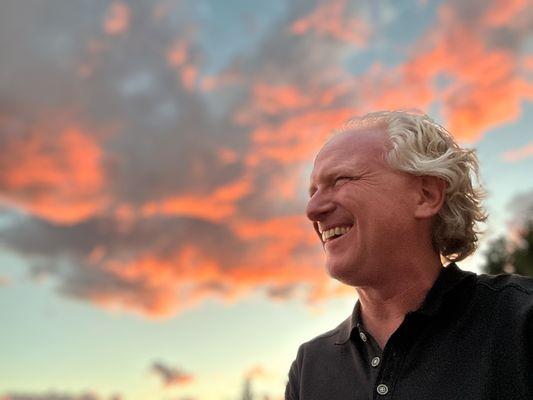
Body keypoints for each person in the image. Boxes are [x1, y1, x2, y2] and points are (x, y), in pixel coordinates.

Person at [285, 110, 533, 399]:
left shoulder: (520, 322)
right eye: (313, 191)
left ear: (425, 195)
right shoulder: (310, 366)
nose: (312, 210)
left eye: (340, 180)